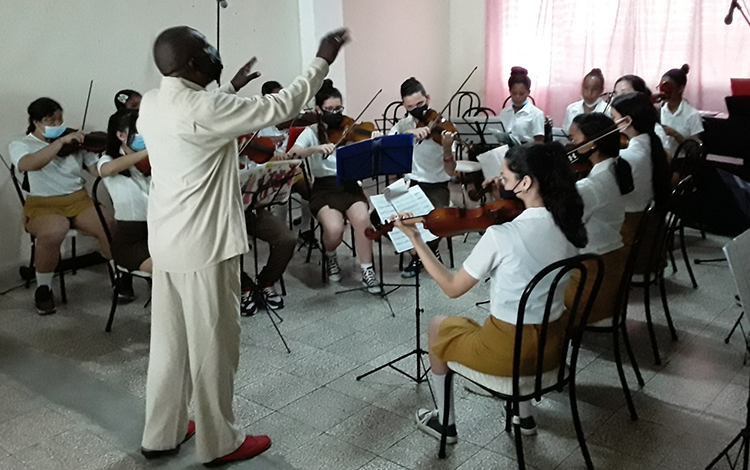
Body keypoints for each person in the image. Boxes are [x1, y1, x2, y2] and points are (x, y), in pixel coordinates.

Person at [136, 25, 347, 466]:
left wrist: (230, 86)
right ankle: (220, 440)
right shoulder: (205, 106)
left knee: (170, 345)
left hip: (167, 242)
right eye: (208, 49)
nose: (216, 53)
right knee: (215, 346)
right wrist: (323, 57)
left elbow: (204, 111)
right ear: (193, 63)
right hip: (205, 246)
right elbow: (283, 105)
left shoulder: (153, 103)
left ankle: (162, 431)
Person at [394, 142, 587, 443]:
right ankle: (524, 415)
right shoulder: (570, 226)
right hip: (553, 350)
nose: (498, 182)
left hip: (510, 354)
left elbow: (452, 288)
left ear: (525, 183)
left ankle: (444, 422)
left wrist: (417, 240)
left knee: (438, 326)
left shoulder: (501, 236)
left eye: (504, 177)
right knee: (498, 321)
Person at [9, 98, 113, 315]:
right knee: (53, 231)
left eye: (60, 119)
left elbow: (94, 171)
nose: (58, 124)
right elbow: (28, 164)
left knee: (109, 224)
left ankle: (119, 277)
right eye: (50, 120)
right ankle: (44, 289)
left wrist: (110, 159)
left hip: (78, 199)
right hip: (43, 205)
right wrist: (59, 143)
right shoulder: (21, 144)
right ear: (36, 122)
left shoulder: (76, 143)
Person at [288, 79, 382, 294]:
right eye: (329, 109)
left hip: (349, 185)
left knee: (363, 221)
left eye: (338, 108)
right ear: (318, 110)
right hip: (324, 189)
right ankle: (331, 256)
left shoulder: (348, 127)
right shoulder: (311, 132)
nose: (335, 113)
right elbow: (295, 152)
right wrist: (316, 149)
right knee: (334, 230)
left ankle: (368, 271)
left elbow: (365, 143)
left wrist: (374, 139)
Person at [565, 113, 634, 324]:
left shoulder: (591, 186)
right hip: (610, 271)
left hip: (591, 286)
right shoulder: (614, 168)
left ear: (592, 145)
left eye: (573, 140)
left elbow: (559, 227)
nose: (570, 146)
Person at [386, 77, 456, 277]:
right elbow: (387, 146)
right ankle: (421, 253)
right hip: (409, 184)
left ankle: (421, 256)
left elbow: (451, 172)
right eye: (410, 107)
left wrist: (446, 149)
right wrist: (408, 133)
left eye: (421, 104)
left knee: (436, 220)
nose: (417, 110)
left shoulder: (444, 127)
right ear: (404, 106)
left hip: (436, 185)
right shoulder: (403, 124)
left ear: (428, 98)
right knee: (380, 219)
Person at [97, 109, 152, 290]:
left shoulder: (154, 161)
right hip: (131, 242)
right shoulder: (108, 159)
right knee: (170, 271)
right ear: (121, 135)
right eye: (139, 131)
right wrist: (148, 151)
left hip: (160, 233)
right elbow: (108, 170)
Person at [610, 92, 671, 248]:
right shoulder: (652, 144)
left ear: (627, 121)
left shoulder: (628, 157)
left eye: (613, 118)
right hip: (651, 231)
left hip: (630, 233)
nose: (611, 123)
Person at [611, 74, 670, 153]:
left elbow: (665, 159)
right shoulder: (617, 119)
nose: (618, 98)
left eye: (624, 93)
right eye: (615, 93)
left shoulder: (655, 129)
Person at [659, 64, 704, 157]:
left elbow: (695, 151)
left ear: (680, 88)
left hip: (681, 163)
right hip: (662, 161)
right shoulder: (660, 111)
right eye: (661, 88)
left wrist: (675, 135)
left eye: (668, 88)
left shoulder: (692, 114)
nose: (663, 92)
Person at [496, 67, 545, 145]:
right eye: (514, 93)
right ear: (510, 92)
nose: (518, 97)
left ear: (528, 92)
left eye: (521, 94)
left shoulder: (536, 114)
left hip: (527, 152)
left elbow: (539, 143)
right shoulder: (504, 112)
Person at [562, 68, 609, 134]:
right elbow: (565, 133)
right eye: (586, 88)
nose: (589, 93)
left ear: (601, 90)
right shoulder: (571, 109)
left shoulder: (608, 111)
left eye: (594, 89)